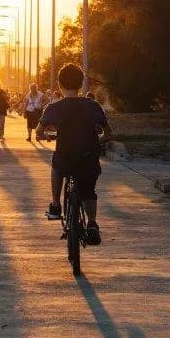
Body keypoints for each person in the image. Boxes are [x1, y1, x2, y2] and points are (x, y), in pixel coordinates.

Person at [36, 63, 112, 245]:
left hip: (65, 157)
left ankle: (55, 205)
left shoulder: (54, 107)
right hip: (88, 158)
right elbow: (108, 132)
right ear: (81, 83)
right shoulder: (93, 105)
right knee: (88, 191)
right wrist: (99, 141)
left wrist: (46, 134)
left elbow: (39, 131)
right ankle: (92, 224)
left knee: (56, 166)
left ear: (59, 84)